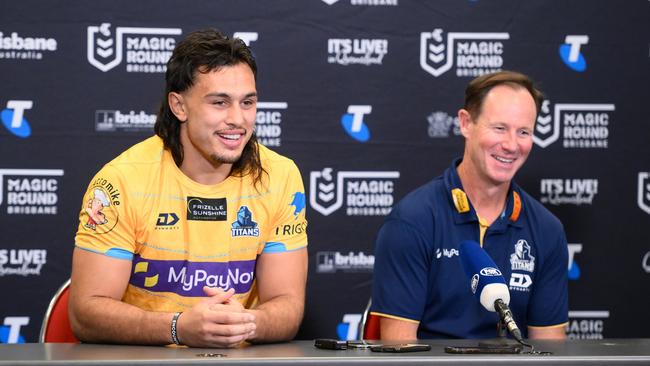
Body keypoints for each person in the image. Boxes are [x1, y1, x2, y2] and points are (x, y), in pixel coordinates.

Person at [69, 29, 308, 348]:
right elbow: (86, 313)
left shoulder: (279, 175)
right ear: (179, 106)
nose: (238, 119)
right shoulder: (121, 181)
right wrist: (177, 328)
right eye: (219, 102)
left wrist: (244, 324)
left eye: (247, 102)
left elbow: (287, 304)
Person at [370, 71, 568, 340]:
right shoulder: (412, 221)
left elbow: (550, 351)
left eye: (524, 132)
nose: (511, 145)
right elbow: (399, 352)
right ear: (466, 123)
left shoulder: (547, 230)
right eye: (499, 128)